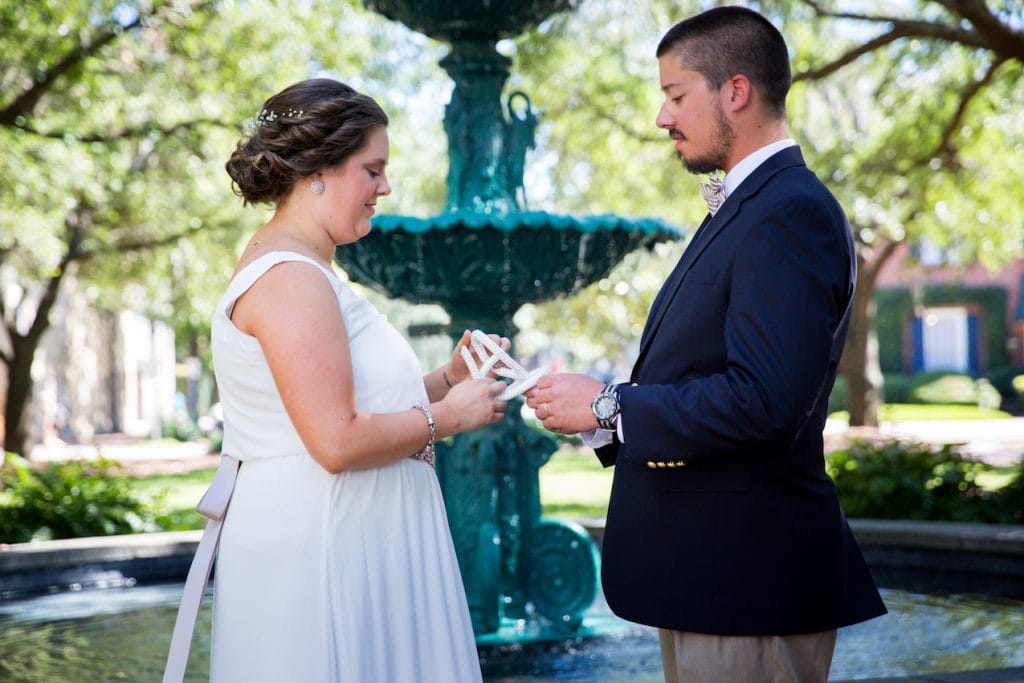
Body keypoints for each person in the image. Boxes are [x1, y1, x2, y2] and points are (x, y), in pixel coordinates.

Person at [526, 7, 886, 682]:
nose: (663, 117)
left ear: (736, 91)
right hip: (716, 580)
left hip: (747, 584)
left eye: (675, 94)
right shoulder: (754, 207)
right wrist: (591, 415)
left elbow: (764, 401)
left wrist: (607, 406)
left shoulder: (790, 213)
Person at [209, 78, 506, 682]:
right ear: (319, 168)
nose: (385, 187)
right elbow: (336, 440)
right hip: (323, 544)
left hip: (347, 533)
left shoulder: (307, 268)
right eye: (372, 169)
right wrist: (451, 418)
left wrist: (448, 379)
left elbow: (343, 403)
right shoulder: (291, 278)